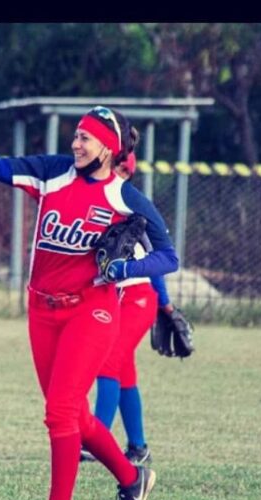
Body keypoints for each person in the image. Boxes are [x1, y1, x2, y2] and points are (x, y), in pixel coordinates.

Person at [0, 75, 179, 500]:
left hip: (94, 310)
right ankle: (132, 477)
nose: (76, 142)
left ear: (106, 148)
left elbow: (170, 256)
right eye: (77, 135)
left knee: (61, 411)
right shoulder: (52, 171)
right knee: (74, 418)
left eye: (85, 137)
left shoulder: (124, 196)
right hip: (42, 310)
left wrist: (124, 269)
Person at [81, 153, 176, 466]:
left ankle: (99, 439)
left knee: (108, 363)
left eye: (121, 168)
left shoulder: (133, 209)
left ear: (125, 171)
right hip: (116, 299)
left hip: (137, 298)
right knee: (123, 372)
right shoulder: (98, 206)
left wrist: (164, 303)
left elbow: (156, 260)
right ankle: (138, 447)